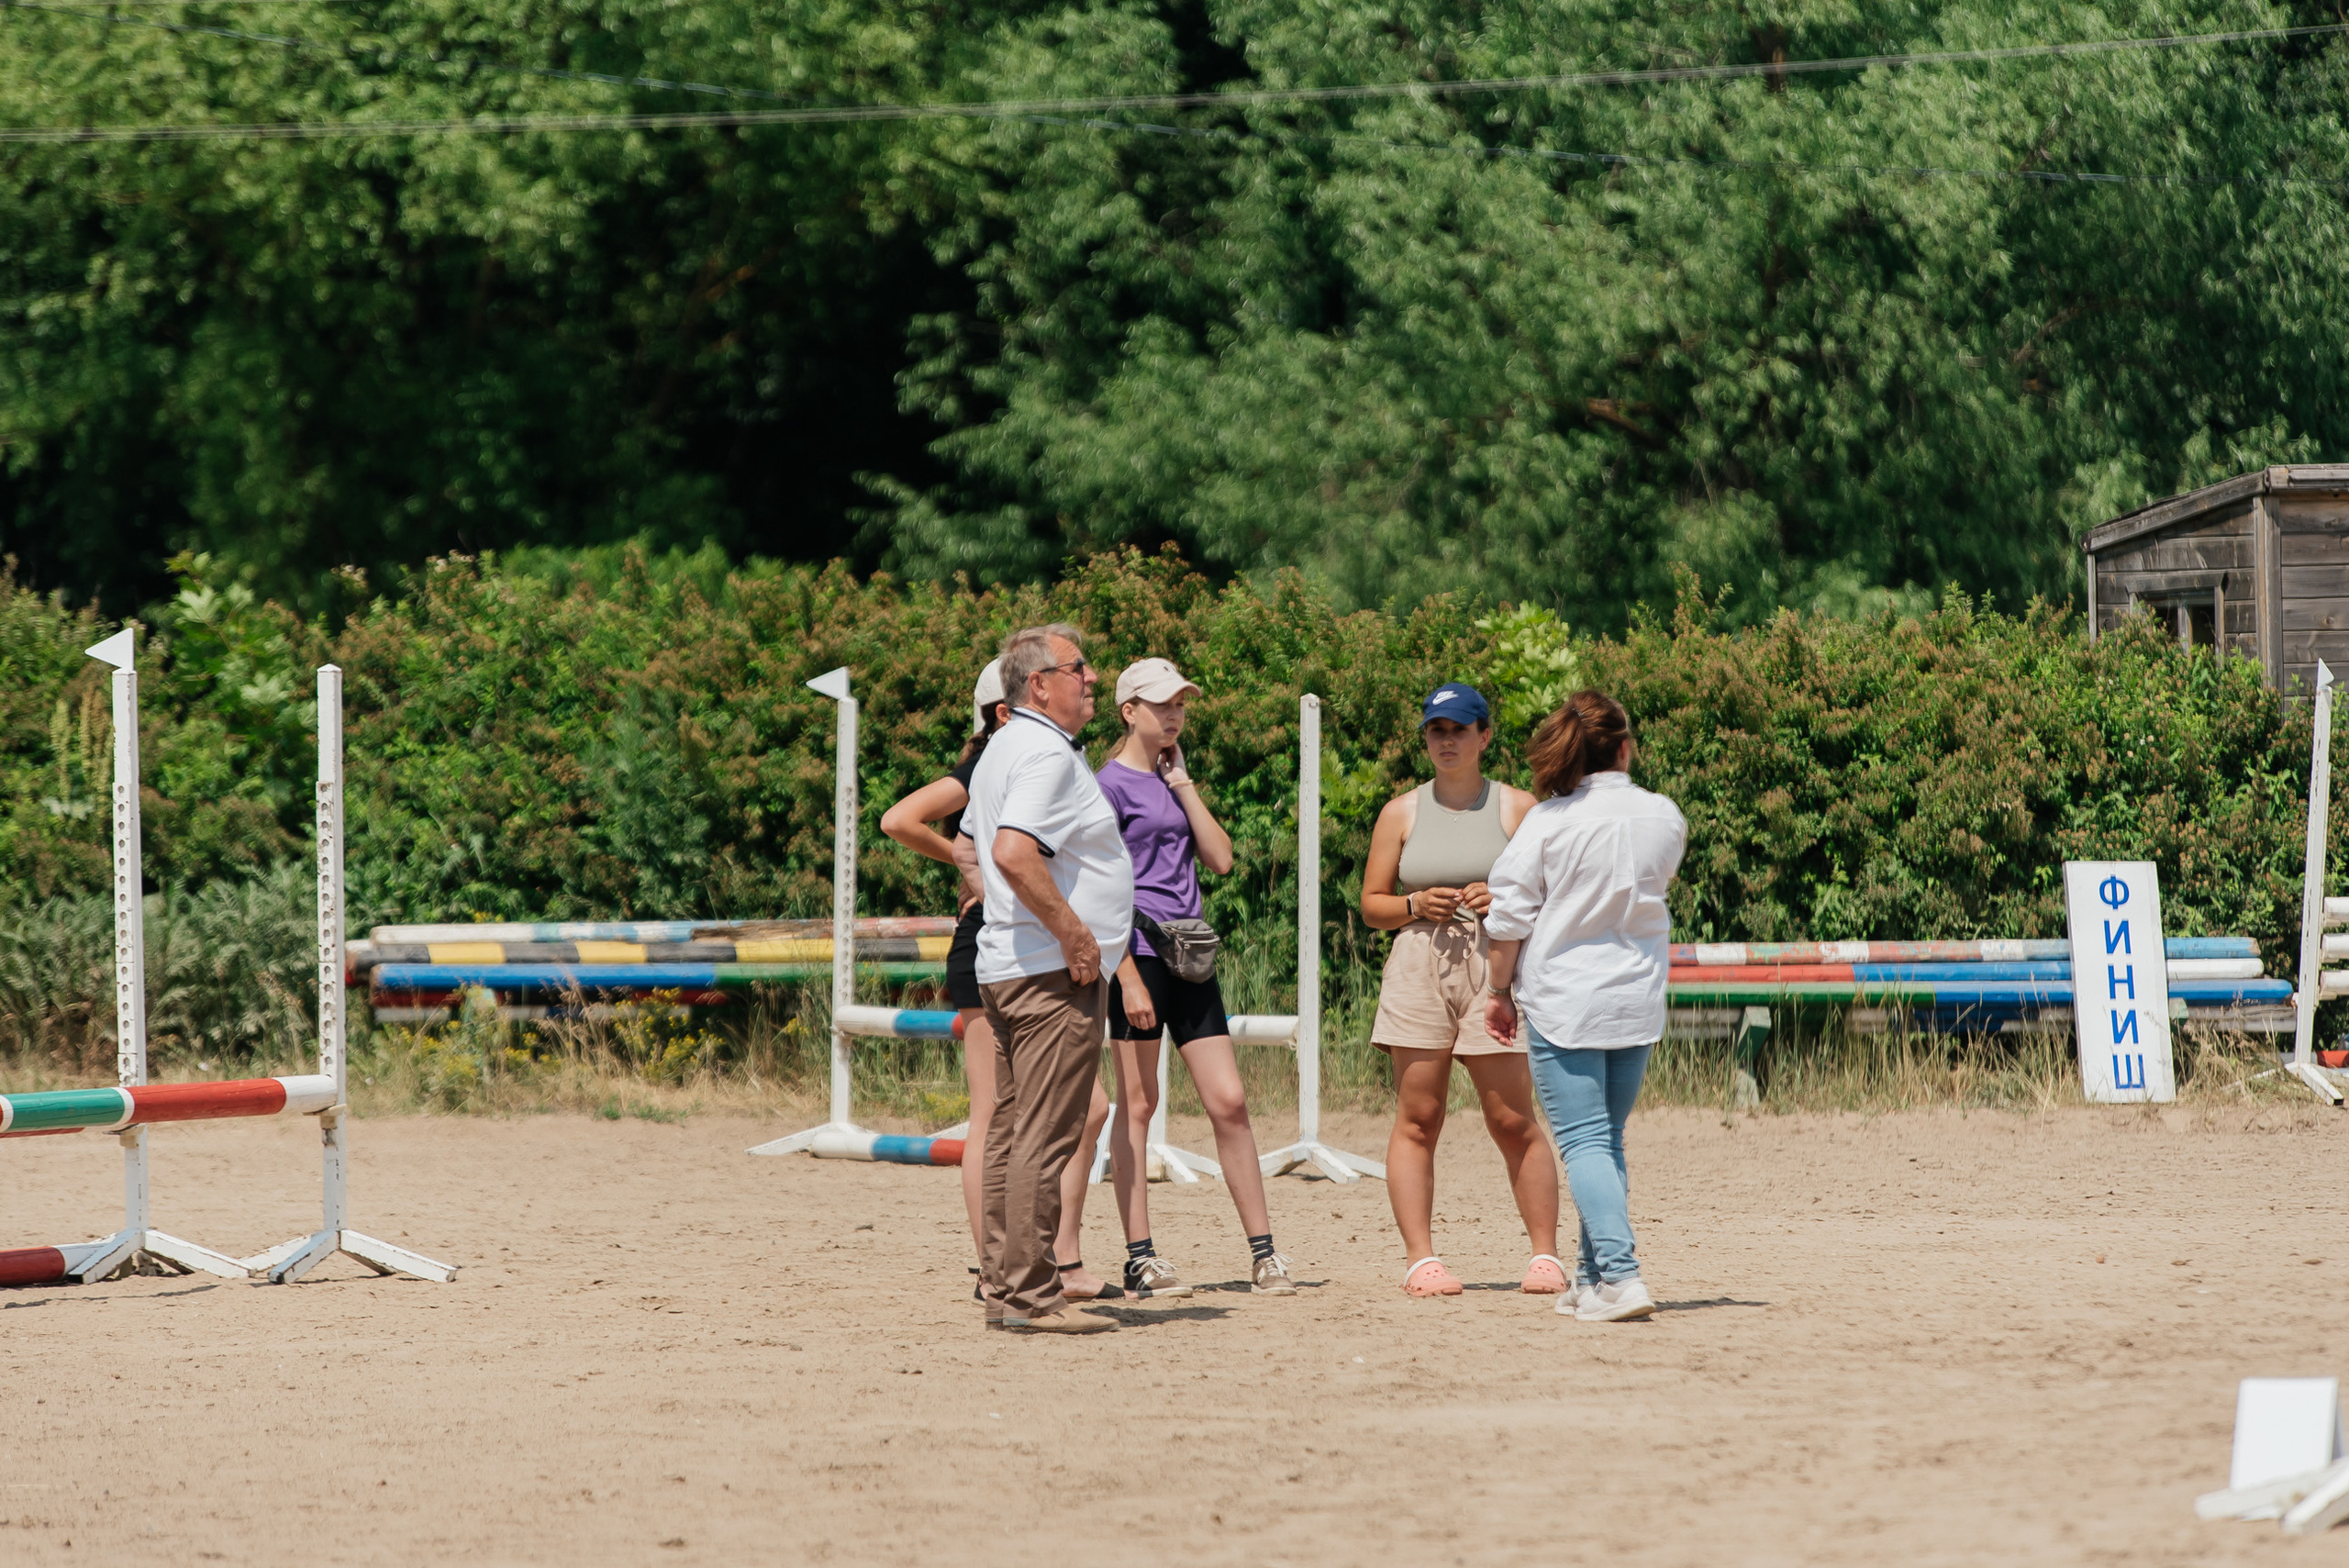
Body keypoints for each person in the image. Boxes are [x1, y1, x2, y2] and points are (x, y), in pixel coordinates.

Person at [878, 661, 1116, 1305]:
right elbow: (898, 819)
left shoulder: (1009, 763)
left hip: (1015, 945)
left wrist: (975, 860)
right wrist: (975, 866)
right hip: (1004, 946)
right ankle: (1004, 1267)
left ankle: (1045, 1257)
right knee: (998, 1115)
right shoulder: (992, 765)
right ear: (1003, 712)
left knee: (1075, 1109)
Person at [1482, 691, 1687, 1323]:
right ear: (1624, 747)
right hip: (1636, 995)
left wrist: (1498, 989)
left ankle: (1622, 1276)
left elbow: (1510, 915)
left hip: (1565, 996)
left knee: (1585, 1142)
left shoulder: (1548, 819)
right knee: (1606, 1140)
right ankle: (1593, 1279)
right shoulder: (1664, 815)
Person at [1097, 657, 1295, 1298]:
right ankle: (1140, 1255)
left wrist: (1184, 786)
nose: (1175, 713)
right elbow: (1097, 890)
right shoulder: (1106, 786)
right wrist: (1123, 972)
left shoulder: (1173, 778)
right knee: (1138, 1105)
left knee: (1229, 1100)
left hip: (1189, 954)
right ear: (1129, 711)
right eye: (1162, 704)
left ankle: (1264, 1253)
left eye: (1181, 703)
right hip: (1137, 955)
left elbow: (1221, 857)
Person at [1360, 682, 1563, 1299]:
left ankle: (1546, 1256)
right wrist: (1415, 902)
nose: (1446, 741)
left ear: (1484, 737)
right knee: (1419, 1115)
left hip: (1494, 965)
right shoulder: (1400, 811)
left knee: (1511, 1118)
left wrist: (1502, 897)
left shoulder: (1520, 807)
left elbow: (1556, 893)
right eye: (1435, 730)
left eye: (1458, 729)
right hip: (1418, 964)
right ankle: (1422, 1260)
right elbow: (1372, 905)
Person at [963, 622, 1133, 1334]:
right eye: (1079, 667)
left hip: (1007, 963)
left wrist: (1002, 914)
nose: (1092, 677)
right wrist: (1073, 934)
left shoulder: (1004, 746)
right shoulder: (1044, 753)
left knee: (1008, 1129)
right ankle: (1033, 1295)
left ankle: (1006, 1287)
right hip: (1045, 970)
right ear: (1038, 683)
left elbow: (971, 847)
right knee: (1045, 1132)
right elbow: (1010, 851)